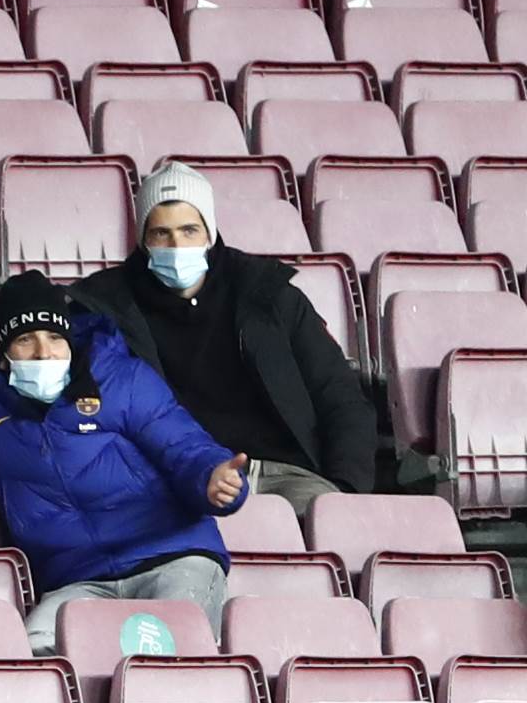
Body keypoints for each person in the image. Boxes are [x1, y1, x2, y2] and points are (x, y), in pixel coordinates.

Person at [0, 271, 249, 655]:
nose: (44, 353)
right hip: (77, 581)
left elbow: (187, 449)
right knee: (36, 658)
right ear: (3, 354)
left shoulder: (123, 380)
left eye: (54, 338)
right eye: (25, 340)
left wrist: (213, 480)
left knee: (171, 656)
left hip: (172, 557)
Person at [70, 161, 377, 514]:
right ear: (142, 239)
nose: (176, 245)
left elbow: (338, 395)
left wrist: (344, 490)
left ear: (210, 232)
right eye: (161, 234)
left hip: (286, 475)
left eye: (189, 230)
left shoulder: (268, 294)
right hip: (175, 478)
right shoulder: (102, 307)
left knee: (337, 532)